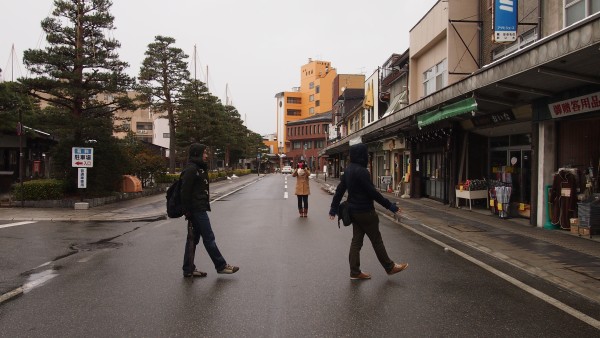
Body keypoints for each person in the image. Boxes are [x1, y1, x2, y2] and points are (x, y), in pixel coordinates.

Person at [329, 143, 408, 280]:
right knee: (376, 240)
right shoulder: (362, 172)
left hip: (354, 212)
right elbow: (373, 193)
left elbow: (339, 191)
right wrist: (391, 206)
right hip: (366, 212)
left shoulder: (348, 171)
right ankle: (389, 267)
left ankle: (355, 272)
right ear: (362, 156)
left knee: (356, 242)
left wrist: (333, 208)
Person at [181, 143, 239, 277]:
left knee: (193, 239)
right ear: (197, 154)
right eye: (204, 153)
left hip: (198, 208)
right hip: (197, 210)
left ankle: (188, 269)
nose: (206, 155)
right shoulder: (191, 169)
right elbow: (185, 192)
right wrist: (187, 211)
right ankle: (221, 265)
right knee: (209, 238)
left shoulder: (198, 168)